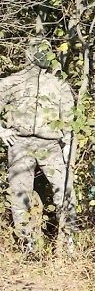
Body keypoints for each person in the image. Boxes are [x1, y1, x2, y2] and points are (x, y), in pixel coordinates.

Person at [0, 36, 78, 254]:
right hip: (20, 143)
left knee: (64, 190)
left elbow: (69, 119)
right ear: (29, 53)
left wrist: (68, 146)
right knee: (20, 194)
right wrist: (2, 131)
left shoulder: (58, 85)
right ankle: (28, 245)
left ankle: (69, 242)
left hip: (51, 145)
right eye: (38, 50)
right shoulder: (13, 82)